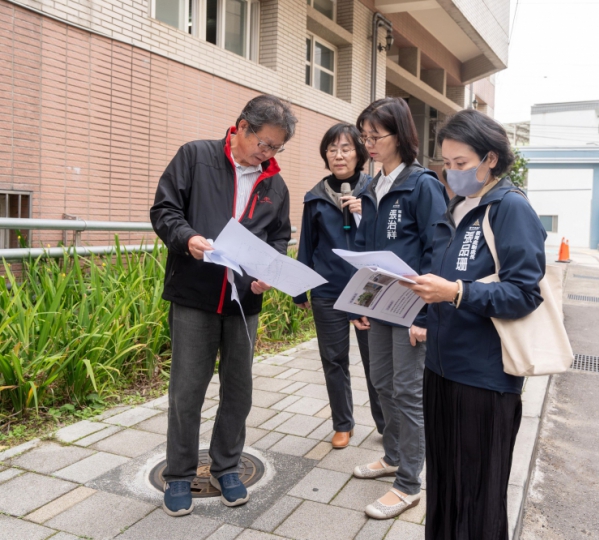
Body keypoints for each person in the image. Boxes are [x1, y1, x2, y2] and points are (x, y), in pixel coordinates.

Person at [402, 109, 547, 539]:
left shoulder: (509, 208)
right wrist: (421, 311)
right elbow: (440, 277)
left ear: (490, 159)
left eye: (461, 164)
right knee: (445, 483)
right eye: (446, 163)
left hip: (484, 379)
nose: (451, 173)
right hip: (441, 369)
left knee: (479, 492)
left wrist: (456, 292)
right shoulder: (455, 207)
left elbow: (525, 293)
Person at [150, 95, 297, 517]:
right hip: (195, 293)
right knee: (187, 389)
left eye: (275, 148)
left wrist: (270, 269)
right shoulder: (195, 157)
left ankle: (227, 465)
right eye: (264, 144)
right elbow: (164, 210)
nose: (267, 154)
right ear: (242, 127)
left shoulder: (274, 184)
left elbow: (279, 236)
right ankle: (179, 474)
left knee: (238, 388)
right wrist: (188, 239)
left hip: (245, 301)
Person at [350, 97, 449, 520]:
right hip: (384, 303)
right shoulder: (373, 186)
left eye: (377, 136)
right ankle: (392, 456)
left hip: (413, 307)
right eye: (365, 136)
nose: (368, 144)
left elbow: (437, 249)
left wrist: (426, 317)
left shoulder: (422, 184)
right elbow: (369, 251)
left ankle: (409, 482)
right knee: (381, 381)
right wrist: (362, 300)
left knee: (408, 391)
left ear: (401, 135)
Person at [292, 123, 385, 448]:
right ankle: (343, 424)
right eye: (332, 149)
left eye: (346, 148)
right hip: (328, 291)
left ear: (359, 153)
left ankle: (385, 424)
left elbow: (387, 241)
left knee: (376, 360)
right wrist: (298, 289)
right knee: (334, 360)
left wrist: (367, 213)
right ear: (325, 155)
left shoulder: (375, 191)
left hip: (368, 290)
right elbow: (307, 245)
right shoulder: (315, 197)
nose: (339, 155)